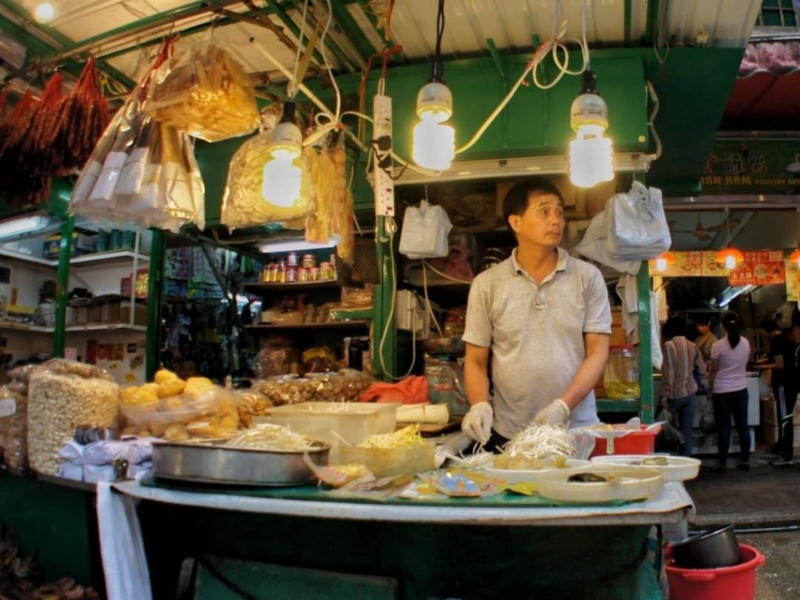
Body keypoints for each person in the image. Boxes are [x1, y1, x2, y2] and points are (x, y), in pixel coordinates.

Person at [460, 177, 612, 451]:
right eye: (544, 211)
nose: (556, 220)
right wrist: (480, 404)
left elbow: (598, 352)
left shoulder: (588, 278)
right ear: (515, 222)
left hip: (575, 431)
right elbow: (475, 360)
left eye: (559, 212)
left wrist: (563, 406)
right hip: (509, 433)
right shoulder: (487, 284)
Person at [708, 311, 751, 474]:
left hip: (722, 392)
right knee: (743, 426)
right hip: (741, 389)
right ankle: (745, 460)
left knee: (724, 428)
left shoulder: (717, 346)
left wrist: (710, 390)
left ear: (722, 326)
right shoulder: (746, 343)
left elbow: (713, 371)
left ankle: (722, 463)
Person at [754, 316, 796, 460]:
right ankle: (781, 445)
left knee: (785, 417)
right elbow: (778, 358)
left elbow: (780, 364)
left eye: (761, 331)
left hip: (783, 384)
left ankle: (787, 453)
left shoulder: (777, 341)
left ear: (766, 330)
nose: (761, 335)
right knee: (784, 416)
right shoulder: (786, 338)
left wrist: (762, 366)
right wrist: (763, 361)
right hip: (792, 382)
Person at [661, 318, 704, 457]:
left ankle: (663, 458)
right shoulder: (693, 345)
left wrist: (664, 397)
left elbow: (669, 375)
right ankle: (686, 462)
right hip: (691, 393)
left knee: (661, 426)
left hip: (675, 395)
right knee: (687, 432)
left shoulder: (669, 345)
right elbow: (702, 369)